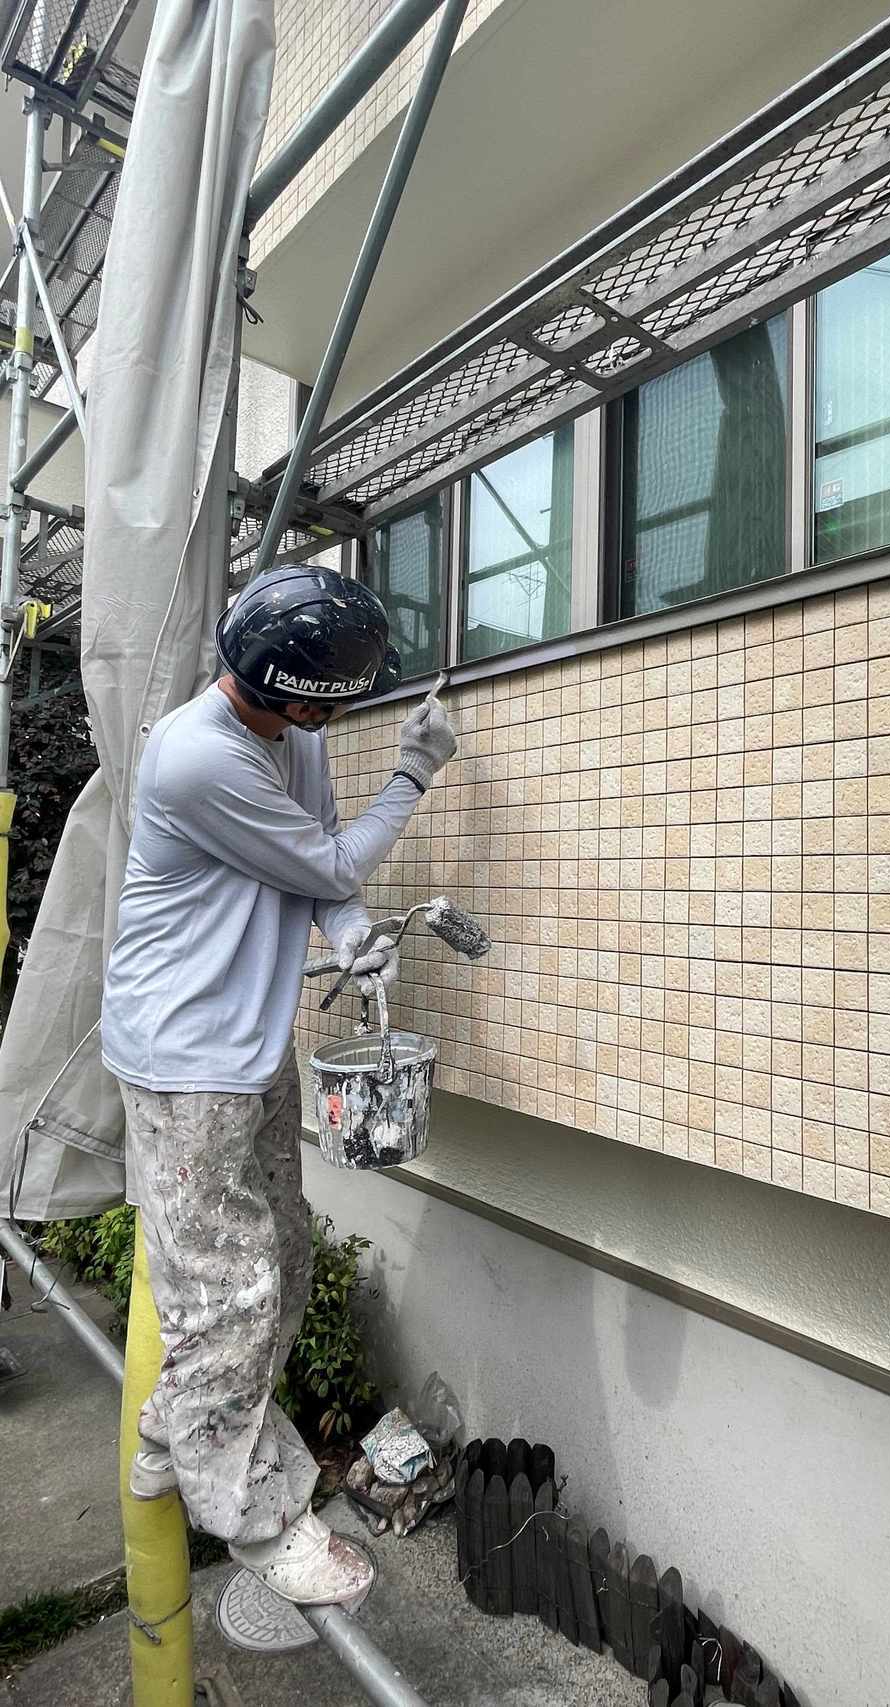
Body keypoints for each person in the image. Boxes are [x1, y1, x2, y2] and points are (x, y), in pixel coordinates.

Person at [99, 565, 456, 1606]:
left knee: (282, 1261)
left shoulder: (291, 737)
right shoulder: (195, 757)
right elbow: (341, 856)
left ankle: (176, 1428)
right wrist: (414, 773)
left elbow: (318, 880)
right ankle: (255, 1519)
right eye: (334, 698)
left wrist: (351, 940)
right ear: (295, 690)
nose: (334, 716)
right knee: (231, 1290)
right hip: (183, 1058)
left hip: (248, 1048)